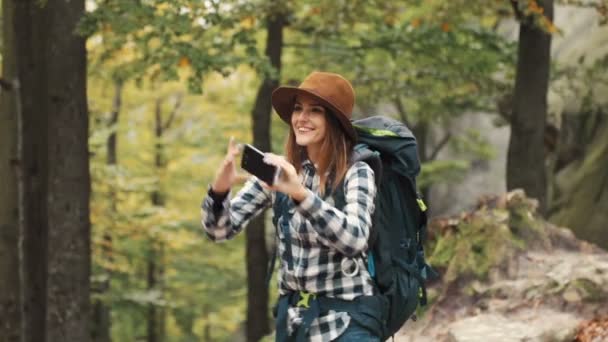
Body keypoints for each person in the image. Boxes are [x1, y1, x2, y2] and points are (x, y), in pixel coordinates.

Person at [201, 71, 382, 341]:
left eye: (315, 111)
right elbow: (219, 230)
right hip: (295, 324)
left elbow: (355, 239)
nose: (301, 118)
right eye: (298, 109)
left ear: (333, 121)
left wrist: (301, 194)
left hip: (347, 323)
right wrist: (219, 191)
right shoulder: (282, 170)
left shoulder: (357, 172)